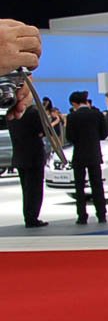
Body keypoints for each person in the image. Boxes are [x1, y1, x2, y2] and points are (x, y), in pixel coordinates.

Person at [65, 90, 107, 224]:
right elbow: (103, 134)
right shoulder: (97, 114)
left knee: (79, 186)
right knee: (97, 185)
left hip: (79, 155)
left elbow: (69, 137)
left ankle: (82, 216)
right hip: (94, 154)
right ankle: (101, 214)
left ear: (74, 103)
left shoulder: (72, 117)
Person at [8, 96, 48, 228]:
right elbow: (43, 130)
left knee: (26, 189)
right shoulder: (32, 112)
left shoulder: (11, 114)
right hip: (34, 157)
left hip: (20, 156)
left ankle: (28, 216)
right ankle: (32, 217)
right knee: (35, 189)